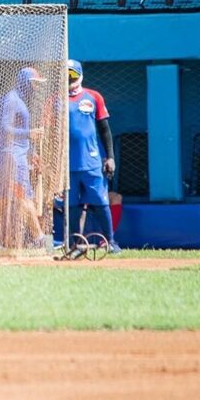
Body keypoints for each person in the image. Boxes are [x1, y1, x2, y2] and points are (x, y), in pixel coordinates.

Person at [0, 67, 46, 250]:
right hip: (11, 157)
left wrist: (30, 152)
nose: (36, 87)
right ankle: (39, 237)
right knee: (23, 196)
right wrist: (30, 133)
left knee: (1, 199)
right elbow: (5, 129)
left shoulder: (21, 100)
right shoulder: (12, 100)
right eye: (34, 83)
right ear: (25, 82)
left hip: (17, 155)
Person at [66, 59, 121, 254]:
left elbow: (105, 130)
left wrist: (111, 157)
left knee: (100, 201)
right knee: (73, 206)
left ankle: (110, 242)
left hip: (91, 161)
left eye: (72, 75)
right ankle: (77, 244)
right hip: (67, 165)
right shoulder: (56, 99)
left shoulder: (93, 97)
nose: (69, 80)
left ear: (80, 76)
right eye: (65, 76)